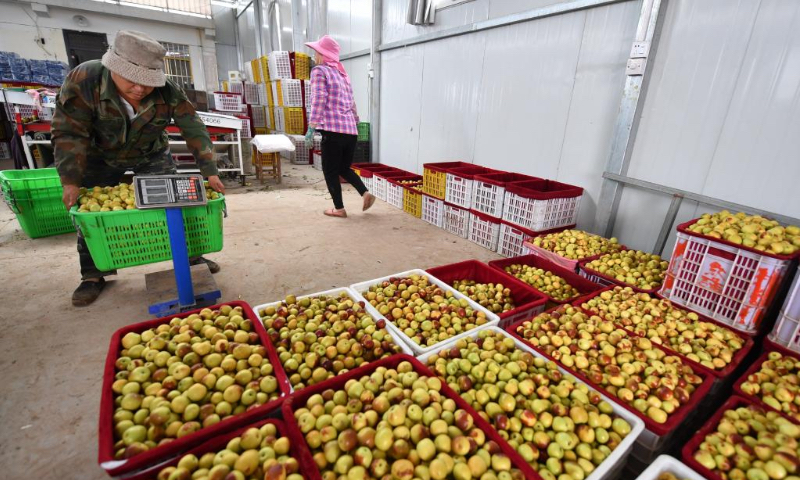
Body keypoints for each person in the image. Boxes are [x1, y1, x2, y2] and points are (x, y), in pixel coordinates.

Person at [52, 30, 225, 307]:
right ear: (114, 67)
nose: (140, 89)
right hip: (98, 156)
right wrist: (70, 180)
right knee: (90, 215)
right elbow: (69, 133)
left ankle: (192, 256)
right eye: (132, 80)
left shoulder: (168, 92)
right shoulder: (85, 80)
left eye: (147, 82)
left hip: (150, 152)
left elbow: (193, 127)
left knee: (179, 203)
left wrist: (210, 170)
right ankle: (93, 274)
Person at [304, 35, 375, 218]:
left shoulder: (319, 71)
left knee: (330, 171)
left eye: (316, 52)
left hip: (333, 131)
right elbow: (352, 103)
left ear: (322, 54)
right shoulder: (343, 74)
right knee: (344, 168)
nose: (314, 55)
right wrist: (355, 122)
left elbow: (318, 99)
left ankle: (339, 208)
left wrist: (311, 128)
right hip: (350, 131)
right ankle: (365, 193)